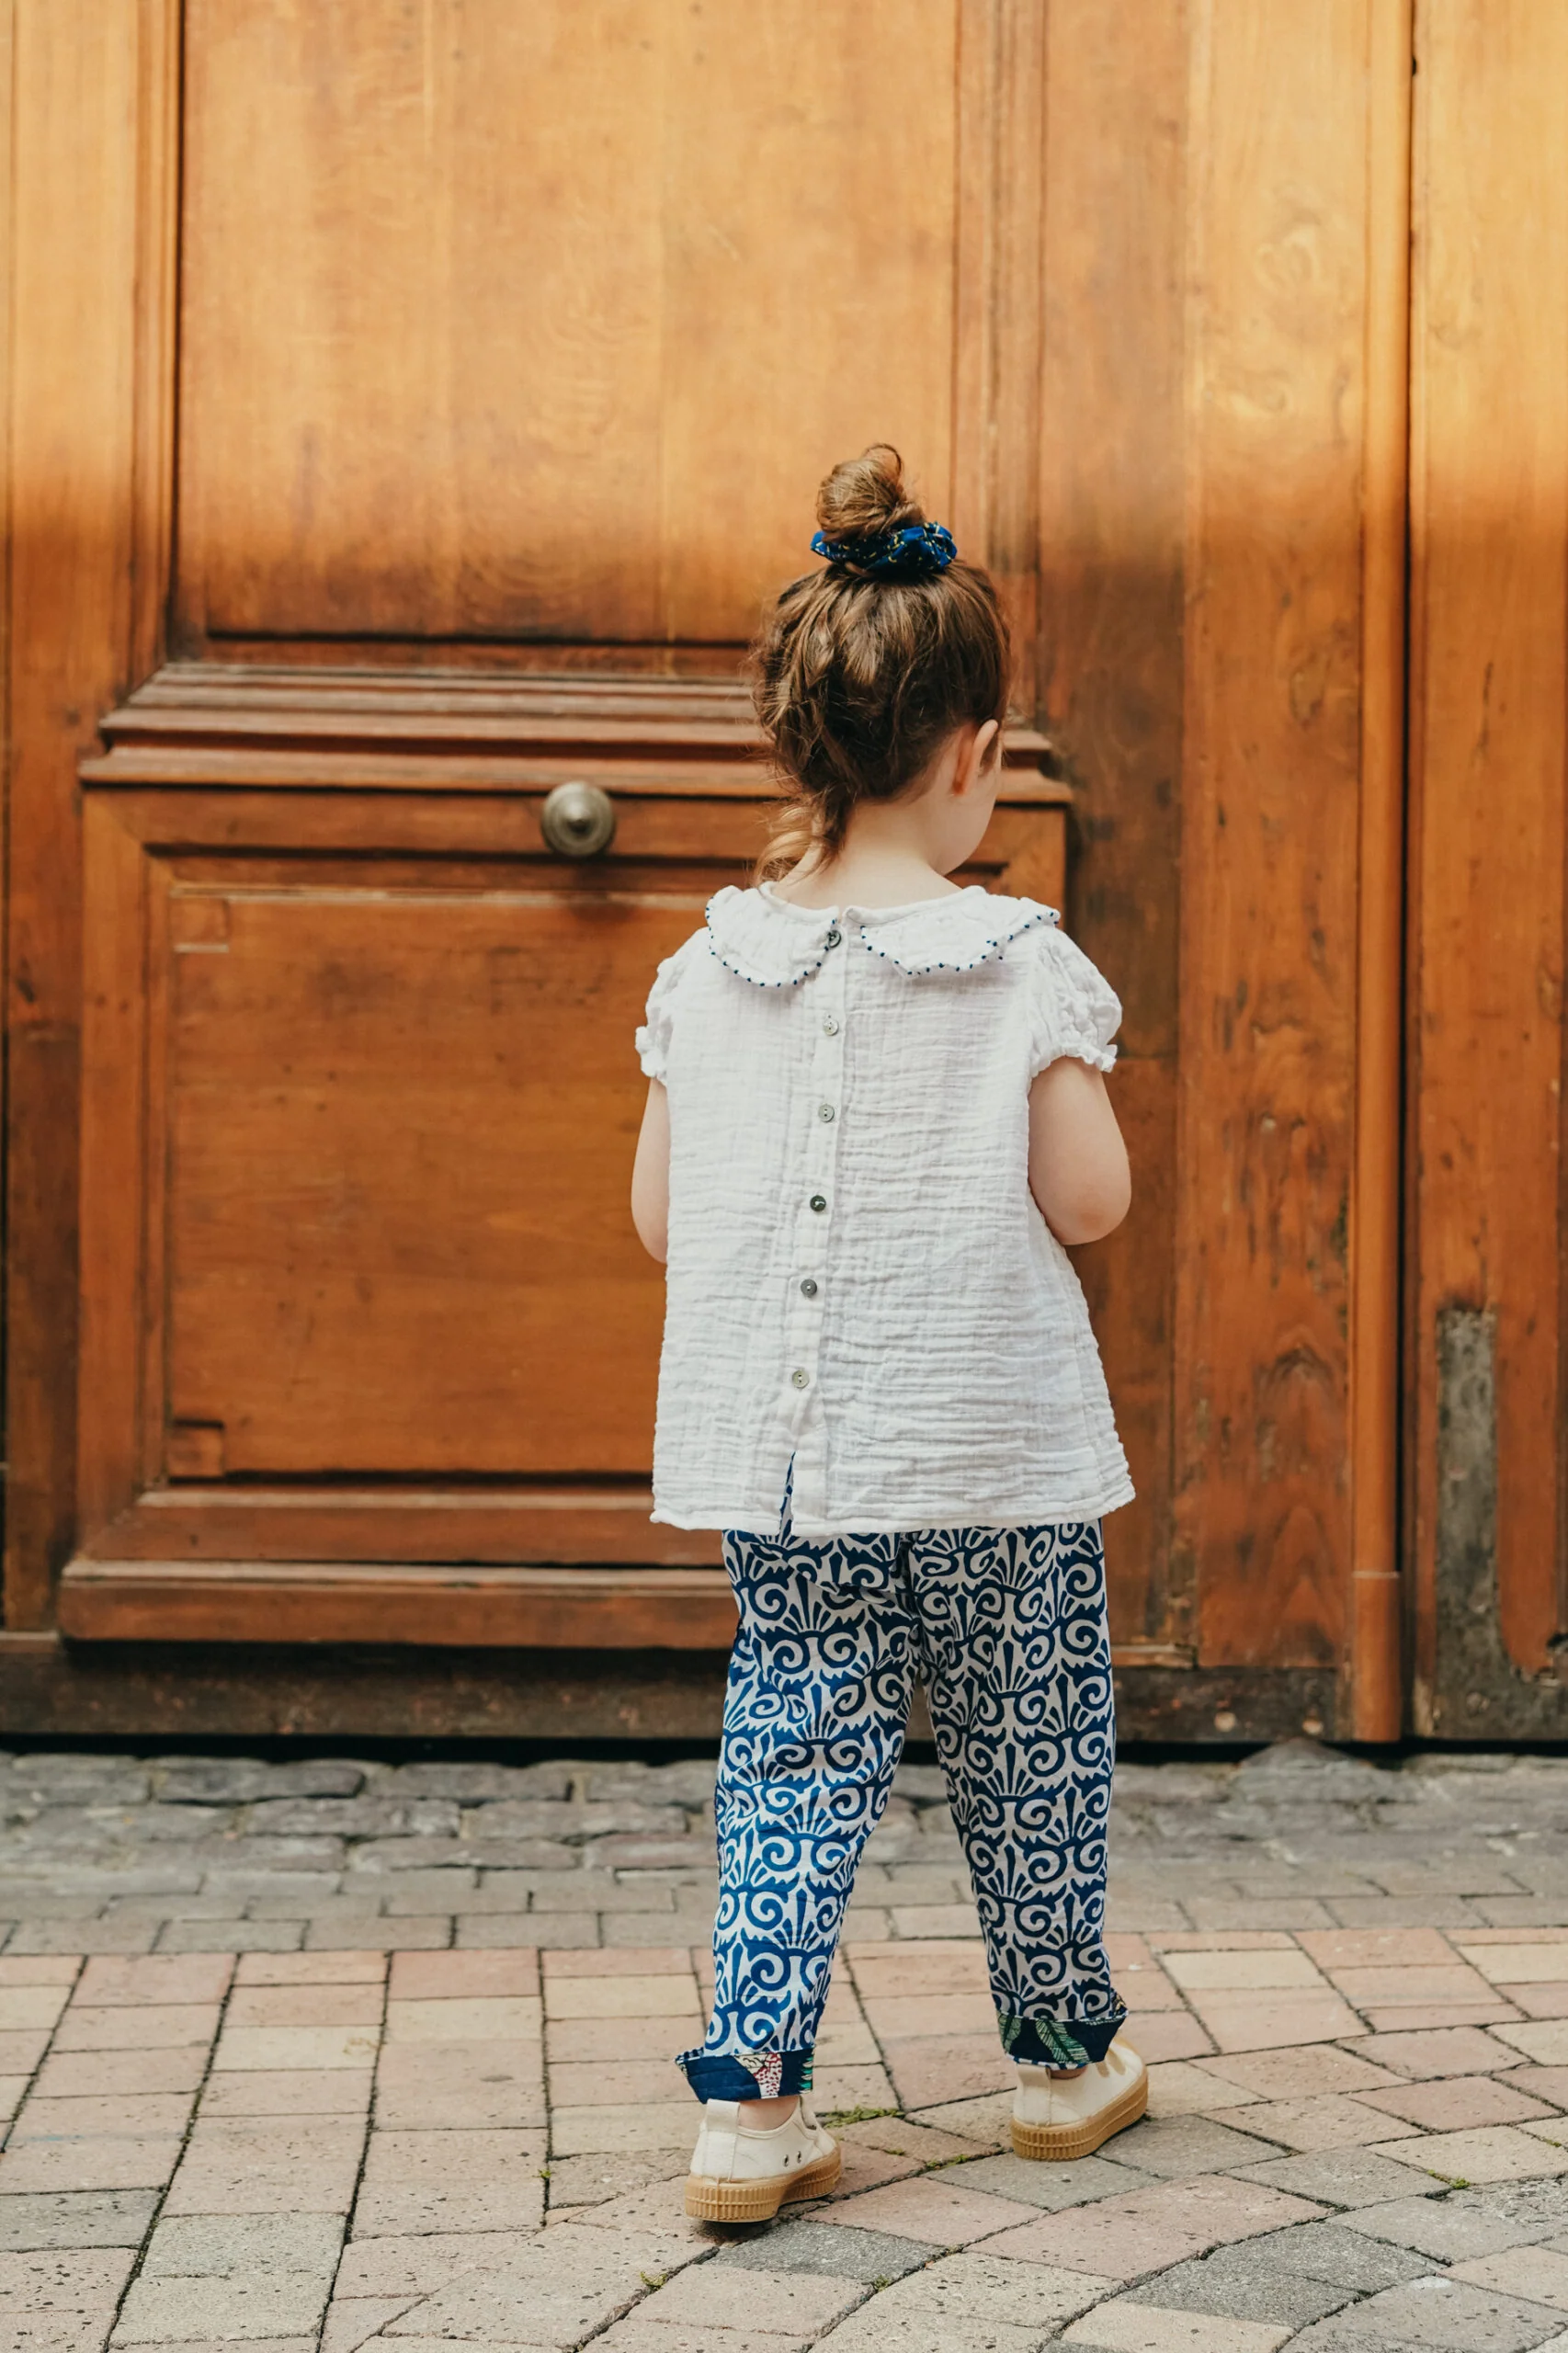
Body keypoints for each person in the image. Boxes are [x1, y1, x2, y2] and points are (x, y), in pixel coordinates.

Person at [631, 446, 1143, 2227]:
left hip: (800, 1466)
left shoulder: (712, 967)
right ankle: (1061, 2057)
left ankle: (750, 2097)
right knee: (1030, 1745)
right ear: (968, 756)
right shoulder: (1011, 956)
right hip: (990, 1451)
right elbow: (1089, 1199)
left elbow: (658, 1218)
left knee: (790, 1740)